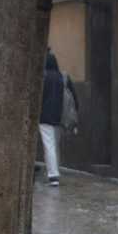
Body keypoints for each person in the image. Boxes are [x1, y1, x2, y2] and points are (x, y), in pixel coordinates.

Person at [39, 50, 78, 188]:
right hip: (60, 117)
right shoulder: (63, 77)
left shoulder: (42, 77)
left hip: (45, 117)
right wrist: (74, 116)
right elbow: (74, 98)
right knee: (55, 145)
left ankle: (53, 175)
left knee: (49, 146)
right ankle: (55, 172)